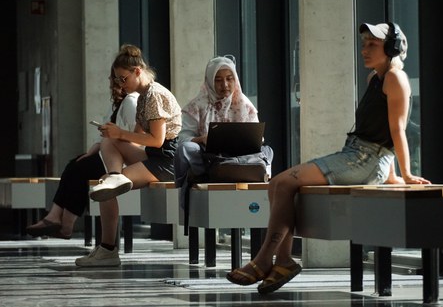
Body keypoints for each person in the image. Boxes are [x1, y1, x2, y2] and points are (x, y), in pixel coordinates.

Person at [226, 22, 431, 294]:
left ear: (393, 48)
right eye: (364, 43)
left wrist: (404, 175)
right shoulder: (375, 79)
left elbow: (397, 129)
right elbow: (381, 126)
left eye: (373, 44)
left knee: (284, 183)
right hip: (356, 153)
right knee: (278, 184)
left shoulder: (395, 78)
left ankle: (264, 260)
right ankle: (284, 261)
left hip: (365, 159)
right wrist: (390, 172)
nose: (364, 50)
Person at [80, 44, 182, 267]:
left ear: (137, 72)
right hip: (156, 157)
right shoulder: (144, 95)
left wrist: (121, 133)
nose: (120, 84)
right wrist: (115, 134)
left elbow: (157, 140)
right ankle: (114, 175)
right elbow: (136, 137)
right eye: (117, 80)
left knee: (105, 189)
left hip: (166, 162)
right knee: (109, 144)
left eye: (122, 79)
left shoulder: (154, 95)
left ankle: (108, 250)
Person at [26, 66, 139, 240]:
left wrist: (110, 141)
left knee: (80, 168)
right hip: (110, 152)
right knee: (76, 164)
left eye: (113, 79)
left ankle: (62, 222)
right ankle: (58, 218)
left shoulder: (131, 102)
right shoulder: (117, 104)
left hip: (122, 159)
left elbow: (135, 138)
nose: (109, 82)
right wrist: (96, 146)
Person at [174, 55, 265, 209]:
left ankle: (254, 181)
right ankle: (204, 176)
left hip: (239, 156)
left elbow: (256, 134)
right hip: (207, 158)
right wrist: (202, 139)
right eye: (218, 80)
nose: (225, 85)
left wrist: (254, 140)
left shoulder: (245, 105)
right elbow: (181, 139)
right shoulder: (196, 106)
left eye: (230, 79)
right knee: (186, 149)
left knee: (267, 151)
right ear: (209, 81)